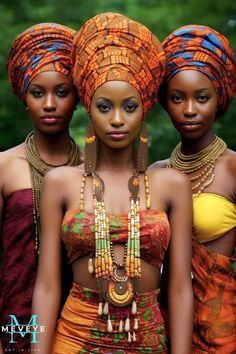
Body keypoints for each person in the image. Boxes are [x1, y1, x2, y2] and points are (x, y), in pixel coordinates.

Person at [31, 13, 193, 354]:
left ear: (144, 110)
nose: (117, 119)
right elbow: (46, 286)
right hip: (74, 338)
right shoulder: (60, 182)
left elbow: (179, 289)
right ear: (89, 109)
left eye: (129, 107)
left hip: (148, 337)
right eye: (105, 107)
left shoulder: (171, 185)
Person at [151, 25, 236, 353]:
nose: (189, 110)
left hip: (222, 331)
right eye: (177, 98)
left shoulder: (231, 168)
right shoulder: (157, 173)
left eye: (202, 98)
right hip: (161, 328)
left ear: (219, 98)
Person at [0, 22, 82, 352]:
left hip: (78, 326)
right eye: (38, 93)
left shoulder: (93, 168)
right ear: (24, 97)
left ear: (77, 97)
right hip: (14, 324)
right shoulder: (5, 167)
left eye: (62, 92)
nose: (50, 103)